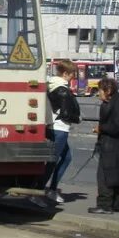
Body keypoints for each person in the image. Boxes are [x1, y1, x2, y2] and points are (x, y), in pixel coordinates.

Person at [90, 77, 119, 215]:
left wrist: (101, 128)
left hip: (115, 146)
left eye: (100, 91)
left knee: (105, 177)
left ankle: (104, 205)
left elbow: (118, 126)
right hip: (113, 145)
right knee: (116, 176)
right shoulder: (111, 102)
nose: (98, 94)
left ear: (108, 90)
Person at [43, 60, 81, 205]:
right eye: (72, 74)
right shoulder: (62, 90)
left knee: (65, 158)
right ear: (65, 73)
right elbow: (65, 113)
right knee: (53, 161)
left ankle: (51, 189)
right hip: (60, 128)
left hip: (54, 127)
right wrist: (78, 118)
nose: (73, 78)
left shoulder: (53, 86)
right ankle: (38, 191)